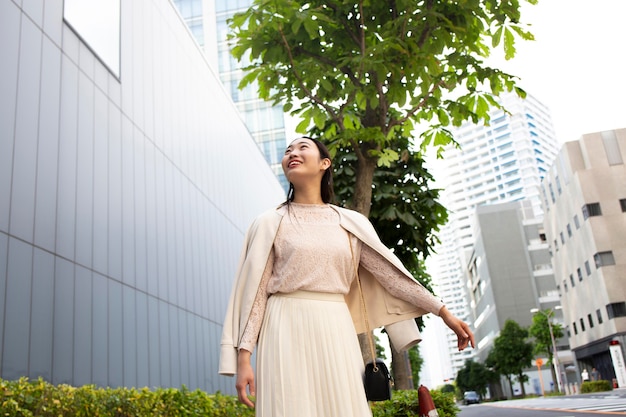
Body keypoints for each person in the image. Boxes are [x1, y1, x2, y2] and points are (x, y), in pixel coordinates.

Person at [219, 136, 475, 417]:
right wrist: (244, 358)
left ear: (324, 164)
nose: (292, 153)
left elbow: (392, 277)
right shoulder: (271, 222)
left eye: (303, 147)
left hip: (335, 326)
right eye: (288, 150)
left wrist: (443, 313)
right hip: (283, 325)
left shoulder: (350, 223)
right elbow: (256, 295)